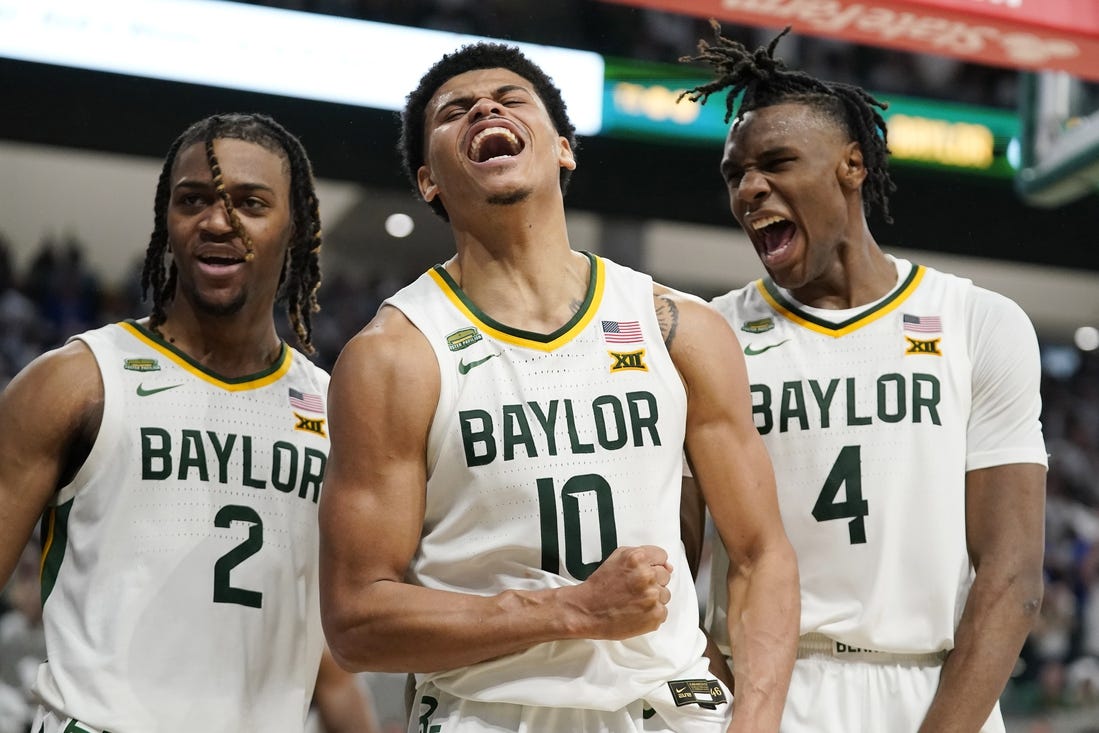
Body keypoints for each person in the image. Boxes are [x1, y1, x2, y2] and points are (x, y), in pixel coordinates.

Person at [318, 42, 799, 733]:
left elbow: (760, 552)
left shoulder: (677, 327)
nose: (484, 106)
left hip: (666, 708)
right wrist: (571, 609)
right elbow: (356, 622)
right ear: (428, 181)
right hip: (489, 711)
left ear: (564, 148)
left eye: (511, 99)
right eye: (454, 111)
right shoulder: (394, 356)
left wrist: (756, 717)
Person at [680, 25, 1048, 732]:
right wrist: (726, 703)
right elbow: (670, 559)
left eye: (776, 163)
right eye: (734, 175)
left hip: (933, 688)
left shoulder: (977, 321)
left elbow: (1011, 576)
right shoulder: (707, 335)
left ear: (852, 165)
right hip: (765, 694)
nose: (751, 189)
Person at [0, 112, 374, 732]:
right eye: (192, 200)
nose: (217, 221)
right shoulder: (74, 381)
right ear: (166, 220)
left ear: (298, 228)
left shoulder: (337, 412)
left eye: (250, 204)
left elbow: (328, 665)